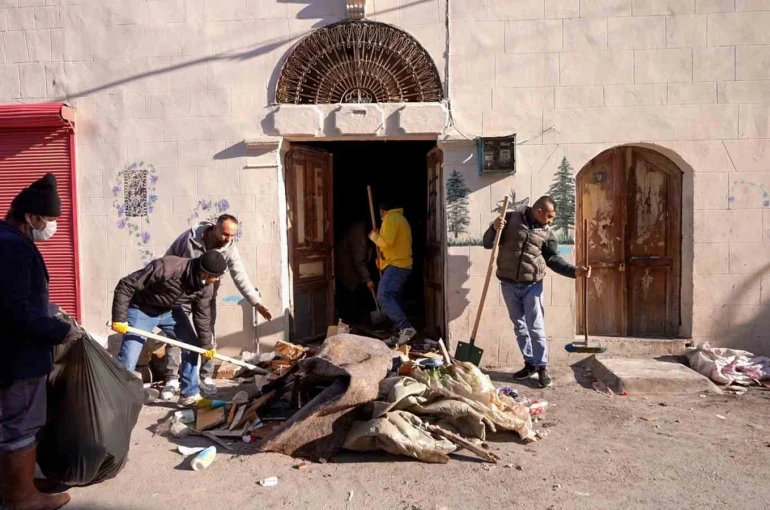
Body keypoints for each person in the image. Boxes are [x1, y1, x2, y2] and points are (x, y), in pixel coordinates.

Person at [0, 173, 74, 510]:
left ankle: (20, 482)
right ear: (31, 217)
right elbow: (13, 311)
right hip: (16, 359)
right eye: (49, 219)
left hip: (11, 353)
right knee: (20, 424)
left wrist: (49, 309)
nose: (52, 227)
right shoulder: (13, 246)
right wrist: (60, 331)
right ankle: (21, 497)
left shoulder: (7, 239)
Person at [483, 196, 590, 388]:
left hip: (532, 285)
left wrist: (575, 272)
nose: (551, 221)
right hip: (508, 284)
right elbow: (487, 243)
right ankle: (530, 363)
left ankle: (542, 367)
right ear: (539, 211)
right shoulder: (509, 219)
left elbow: (553, 260)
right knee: (520, 326)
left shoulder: (547, 234)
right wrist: (494, 228)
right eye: (549, 217)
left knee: (536, 328)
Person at [163, 215, 272, 398]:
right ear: (214, 228)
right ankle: (172, 378)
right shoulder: (188, 239)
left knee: (208, 334)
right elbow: (167, 262)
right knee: (175, 335)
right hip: (181, 296)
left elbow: (240, 276)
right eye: (225, 234)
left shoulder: (229, 249)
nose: (228, 239)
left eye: (232, 236)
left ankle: (205, 376)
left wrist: (256, 302)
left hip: (206, 298)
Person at [110, 251, 227, 406]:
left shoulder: (206, 287)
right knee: (129, 355)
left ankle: (189, 393)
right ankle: (119, 399)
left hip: (170, 312)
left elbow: (202, 316)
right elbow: (126, 284)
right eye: (216, 275)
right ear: (205, 273)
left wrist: (206, 345)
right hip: (141, 309)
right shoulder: (168, 267)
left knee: (192, 347)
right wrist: (119, 318)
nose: (217, 279)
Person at [368, 198, 415, 346]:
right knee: (394, 298)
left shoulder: (390, 218)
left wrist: (373, 236)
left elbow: (386, 242)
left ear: (383, 211)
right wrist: (382, 261)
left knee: (383, 296)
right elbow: (393, 246)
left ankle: (405, 327)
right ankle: (398, 334)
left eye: (381, 214)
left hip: (397, 265)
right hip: (400, 264)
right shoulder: (400, 219)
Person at [335, 219, 374, 324]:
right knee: (350, 294)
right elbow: (359, 260)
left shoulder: (365, 232)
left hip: (353, 268)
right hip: (347, 267)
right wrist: (368, 280)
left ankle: (354, 320)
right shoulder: (358, 234)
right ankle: (350, 322)